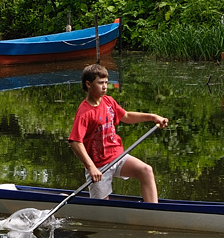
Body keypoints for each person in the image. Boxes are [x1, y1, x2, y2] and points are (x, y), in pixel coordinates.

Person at [69, 63, 169, 202]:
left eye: (106, 82)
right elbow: (75, 142)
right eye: (100, 83)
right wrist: (91, 167)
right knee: (102, 209)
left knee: (146, 170)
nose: (105, 86)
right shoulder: (84, 112)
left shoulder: (108, 101)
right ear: (88, 84)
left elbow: (126, 116)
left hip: (117, 157)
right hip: (99, 166)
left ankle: (153, 212)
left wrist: (153, 117)